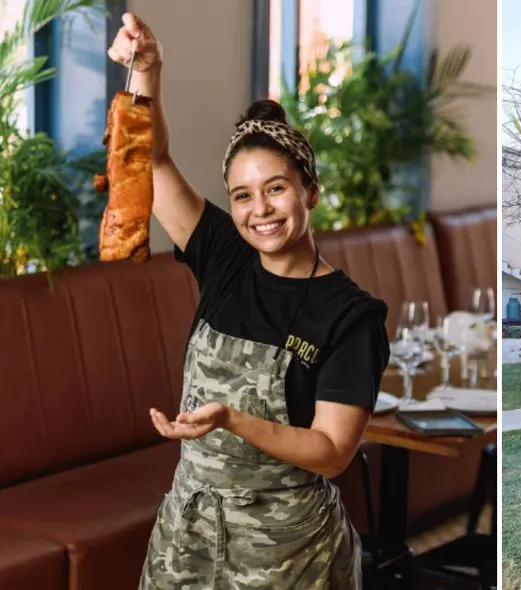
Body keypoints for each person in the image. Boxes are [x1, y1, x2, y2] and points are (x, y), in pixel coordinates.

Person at [107, 14, 389, 590]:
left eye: (276, 188)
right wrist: (147, 72)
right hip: (187, 539)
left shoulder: (350, 315)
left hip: (289, 555)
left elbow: (333, 451)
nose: (259, 210)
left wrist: (233, 420)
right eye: (242, 195)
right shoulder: (224, 256)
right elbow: (152, 161)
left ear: (310, 190)